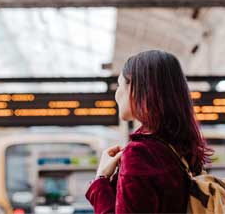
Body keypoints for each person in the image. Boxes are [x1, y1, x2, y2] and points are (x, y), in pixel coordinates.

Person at [85, 50, 212, 213]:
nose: (116, 94)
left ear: (137, 88)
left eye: (119, 84)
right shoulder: (182, 149)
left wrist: (100, 181)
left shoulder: (140, 154)